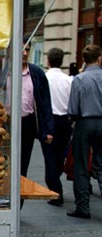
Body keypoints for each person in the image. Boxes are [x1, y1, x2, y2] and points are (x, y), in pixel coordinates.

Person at [67, 44, 102, 219]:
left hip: (84, 122)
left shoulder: (79, 79)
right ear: (99, 58)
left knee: (81, 164)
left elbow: (72, 108)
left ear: (84, 59)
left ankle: (83, 206)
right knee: (101, 164)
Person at [19, 39, 54, 182]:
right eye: (22, 49)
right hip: (6, 122)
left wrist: (48, 129)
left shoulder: (36, 73)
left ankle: (18, 200)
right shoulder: (3, 71)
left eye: (27, 49)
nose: (25, 53)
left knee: (22, 164)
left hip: (27, 122)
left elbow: (45, 102)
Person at [44, 47, 74, 206]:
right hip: (65, 121)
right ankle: (55, 181)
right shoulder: (69, 80)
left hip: (50, 120)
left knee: (50, 155)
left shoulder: (44, 78)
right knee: (60, 154)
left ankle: (55, 188)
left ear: (48, 60)